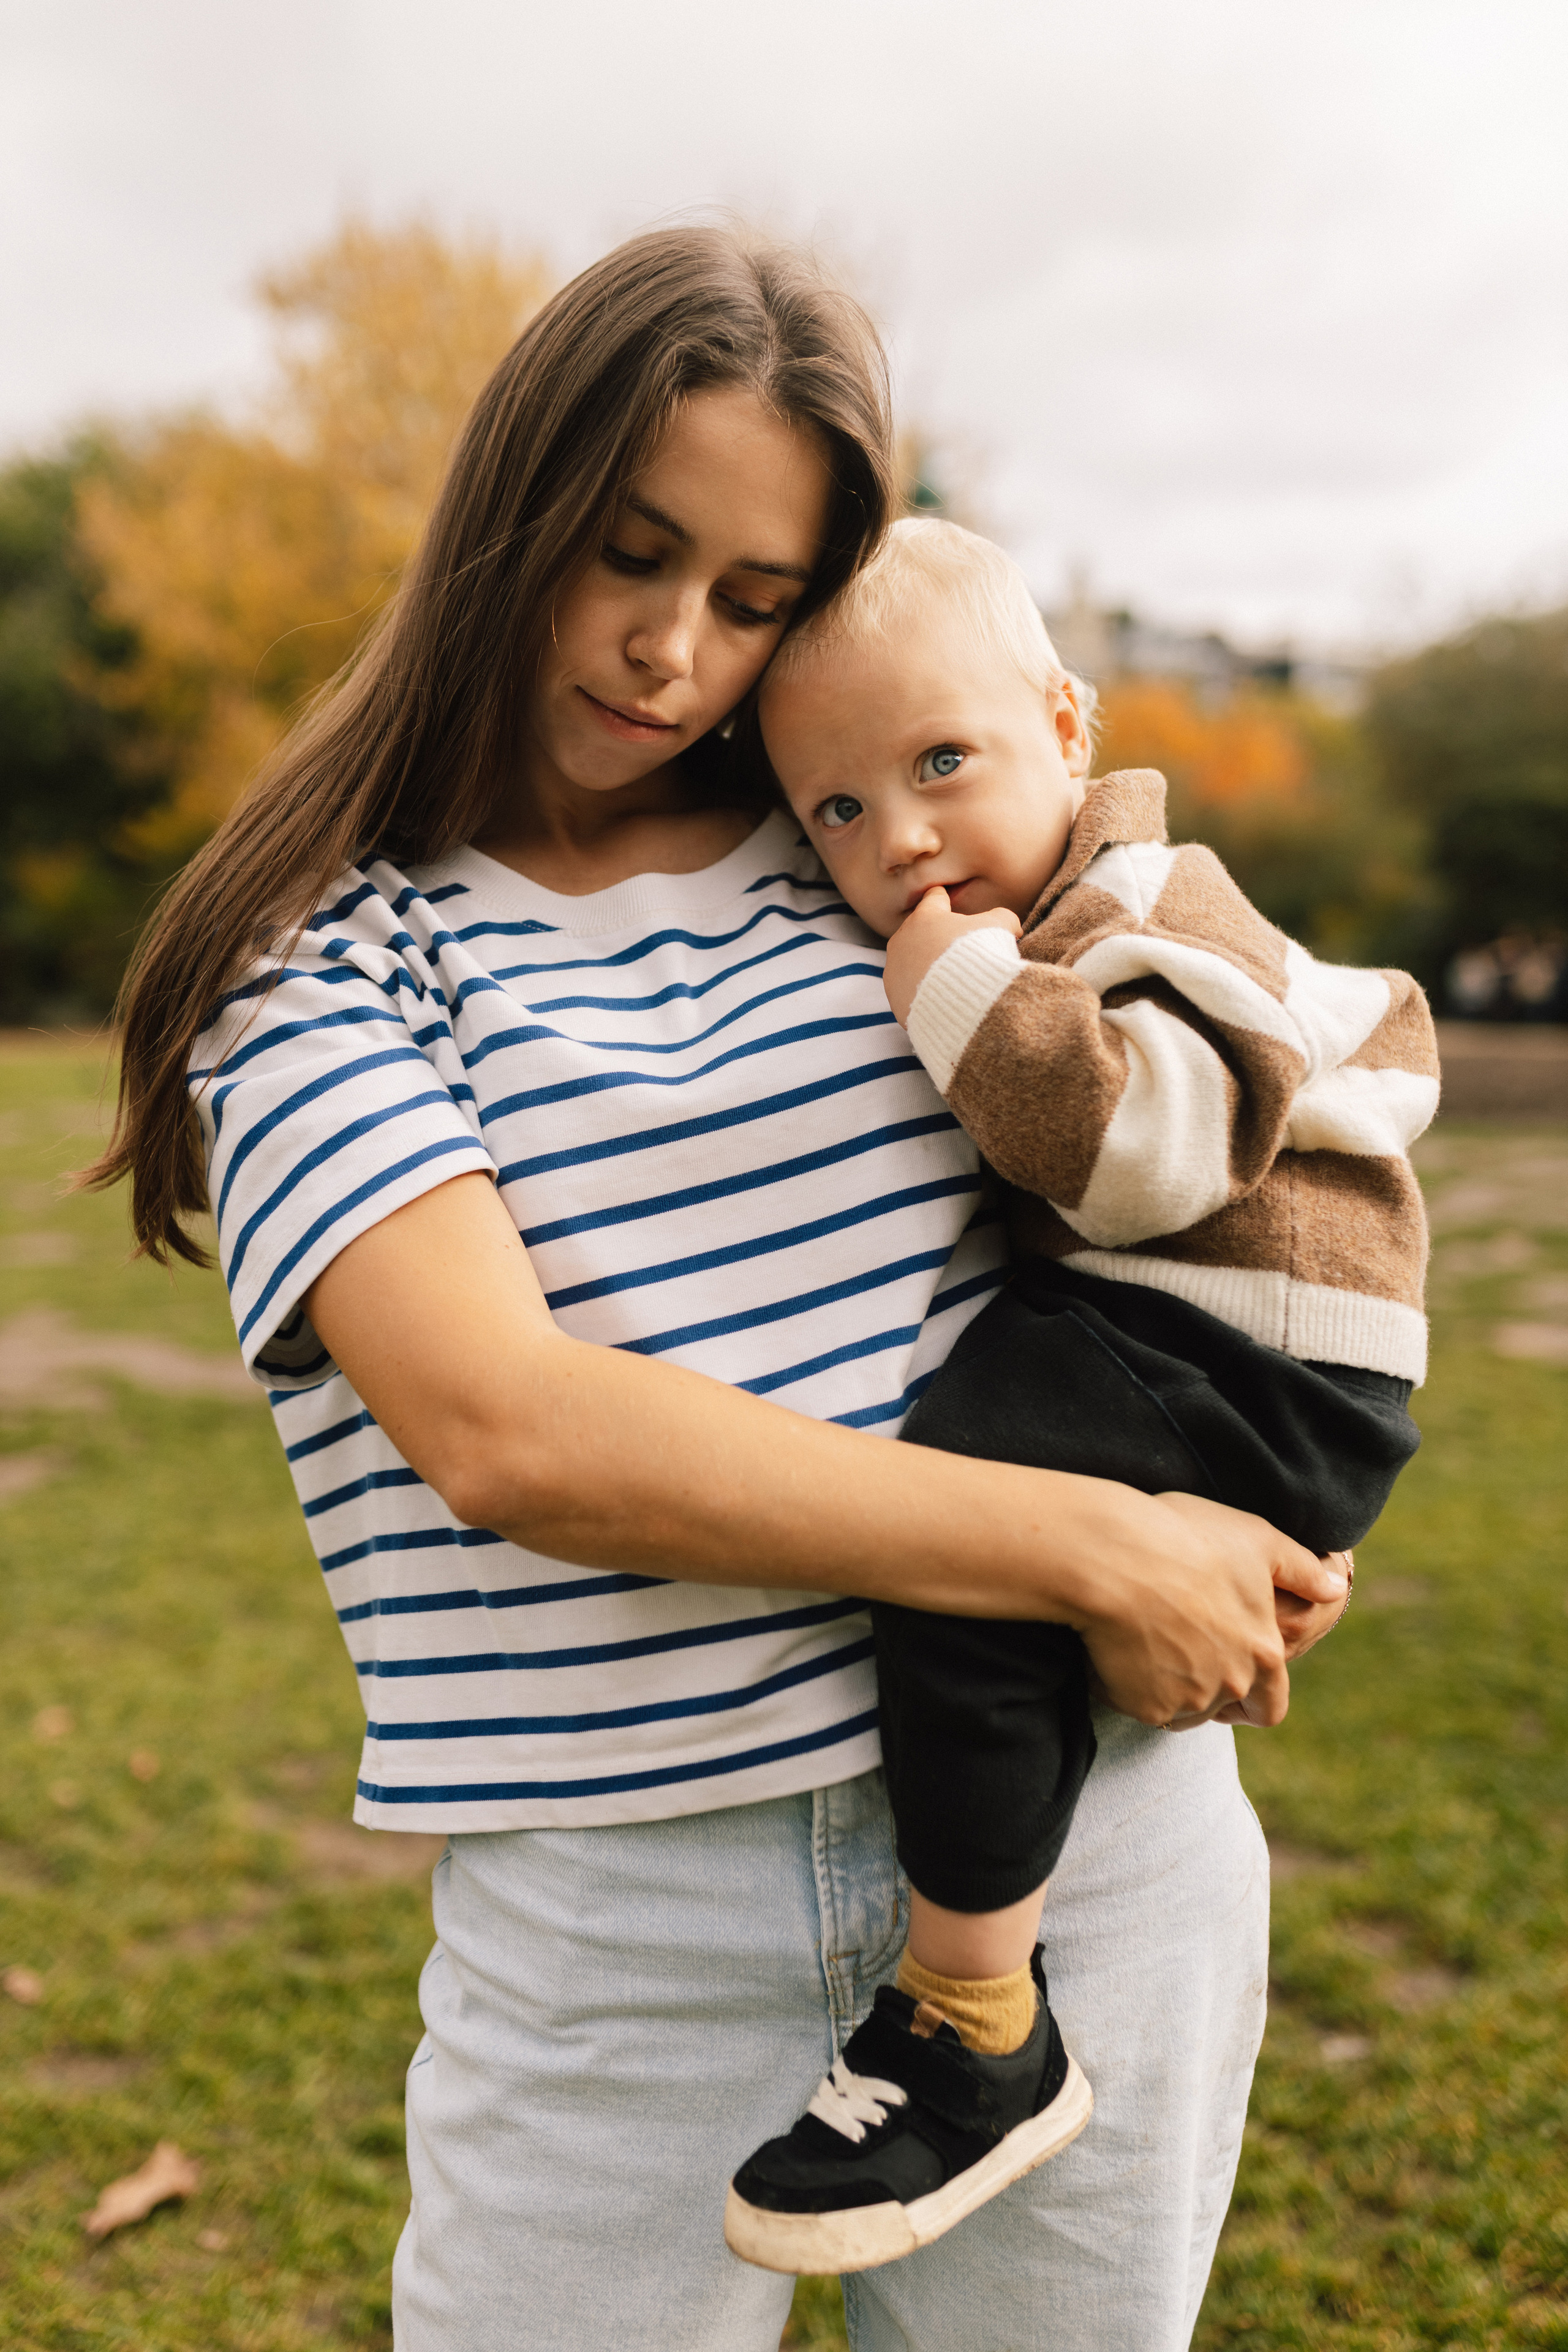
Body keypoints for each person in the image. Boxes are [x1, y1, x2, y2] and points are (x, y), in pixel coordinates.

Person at [87, 228, 1348, 2352]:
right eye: (631, 555)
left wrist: (1269, 1470)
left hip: (1092, 1851)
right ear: (517, 508)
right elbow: (511, 1432)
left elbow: (1192, 1131)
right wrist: (1099, 1540)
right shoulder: (323, 954)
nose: (676, 649)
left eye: (756, 600)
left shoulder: (865, 845)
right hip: (623, 1909)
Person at [726, 517, 1434, 2276]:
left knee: (965, 1524)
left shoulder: (1142, 907)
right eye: (835, 808)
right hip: (1208, 1344)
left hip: (1259, 1347)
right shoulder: (1045, 905)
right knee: (996, 1537)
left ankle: (976, 2016)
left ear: (1069, 723)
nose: (896, 838)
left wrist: (950, 985)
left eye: (941, 762)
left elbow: (1137, 1151)